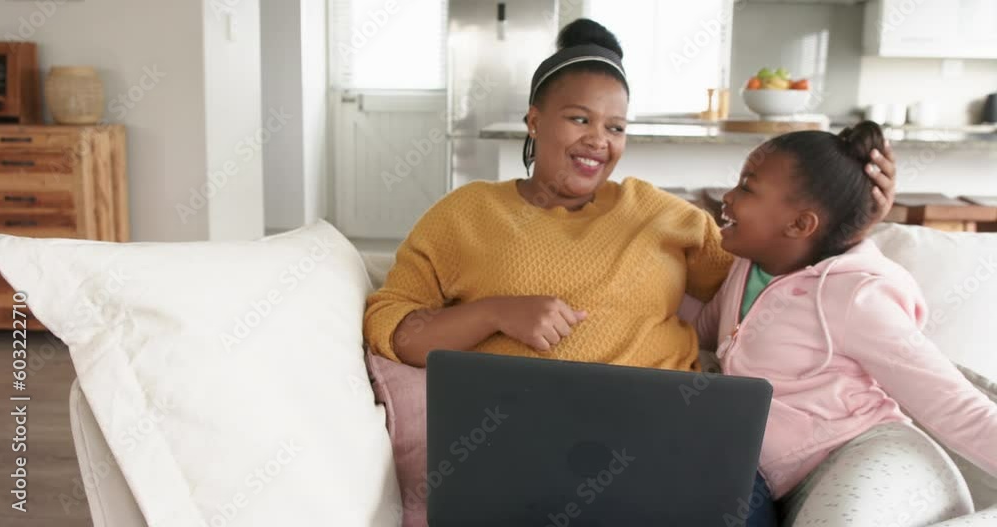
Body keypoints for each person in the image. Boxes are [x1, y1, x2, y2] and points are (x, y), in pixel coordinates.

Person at [364, 18, 896, 526]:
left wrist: (851, 224)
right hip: (527, 452)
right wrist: (496, 313)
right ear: (534, 120)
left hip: (670, 444)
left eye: (615, 126)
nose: (600, 139)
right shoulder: (465, 214)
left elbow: (777, 271)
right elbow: (391, 324)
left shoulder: (660, 213)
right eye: (579, 119)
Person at [696, 121, 997, 525]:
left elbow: (953, 405)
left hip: (868, 454)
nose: (727, 197)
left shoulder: (857, 297)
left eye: (747, 187)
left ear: (800, 225)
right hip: (781, 474)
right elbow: (698, 328)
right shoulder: (747, 268)